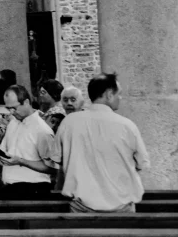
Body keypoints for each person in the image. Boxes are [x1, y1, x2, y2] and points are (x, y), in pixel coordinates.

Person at [51, 73, 149, 213]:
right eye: (118, 94)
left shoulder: (69, 123)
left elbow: (57, 161)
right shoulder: (127, 126)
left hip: (82, 208)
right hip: (121, 208)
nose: (120, 98)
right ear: (109, 94)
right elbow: (141, 164)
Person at [0, 84, 54, 195]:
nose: (12, 112)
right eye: (8, 108)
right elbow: (4, 150)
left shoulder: (42, 130)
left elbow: (51, 167)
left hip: (33, 188)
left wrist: (22, 161)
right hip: (10, 185)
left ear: (26, 102)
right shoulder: (13, 123)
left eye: (14, 107)